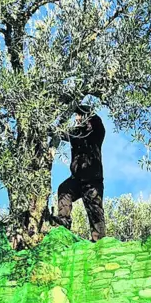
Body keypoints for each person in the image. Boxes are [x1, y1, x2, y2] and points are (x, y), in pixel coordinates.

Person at [56, 104, 106, 242]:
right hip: (77, 180)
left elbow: (96, 120)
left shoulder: (96, 132)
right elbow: (60, 133)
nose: (76, 119)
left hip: (92, 181)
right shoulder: (76, 134)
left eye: (79, 116)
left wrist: (76, 105)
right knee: (64, 189)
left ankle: (99, 241)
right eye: (76, 116)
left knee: (95, 211)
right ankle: (63, 221)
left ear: (86, 117)